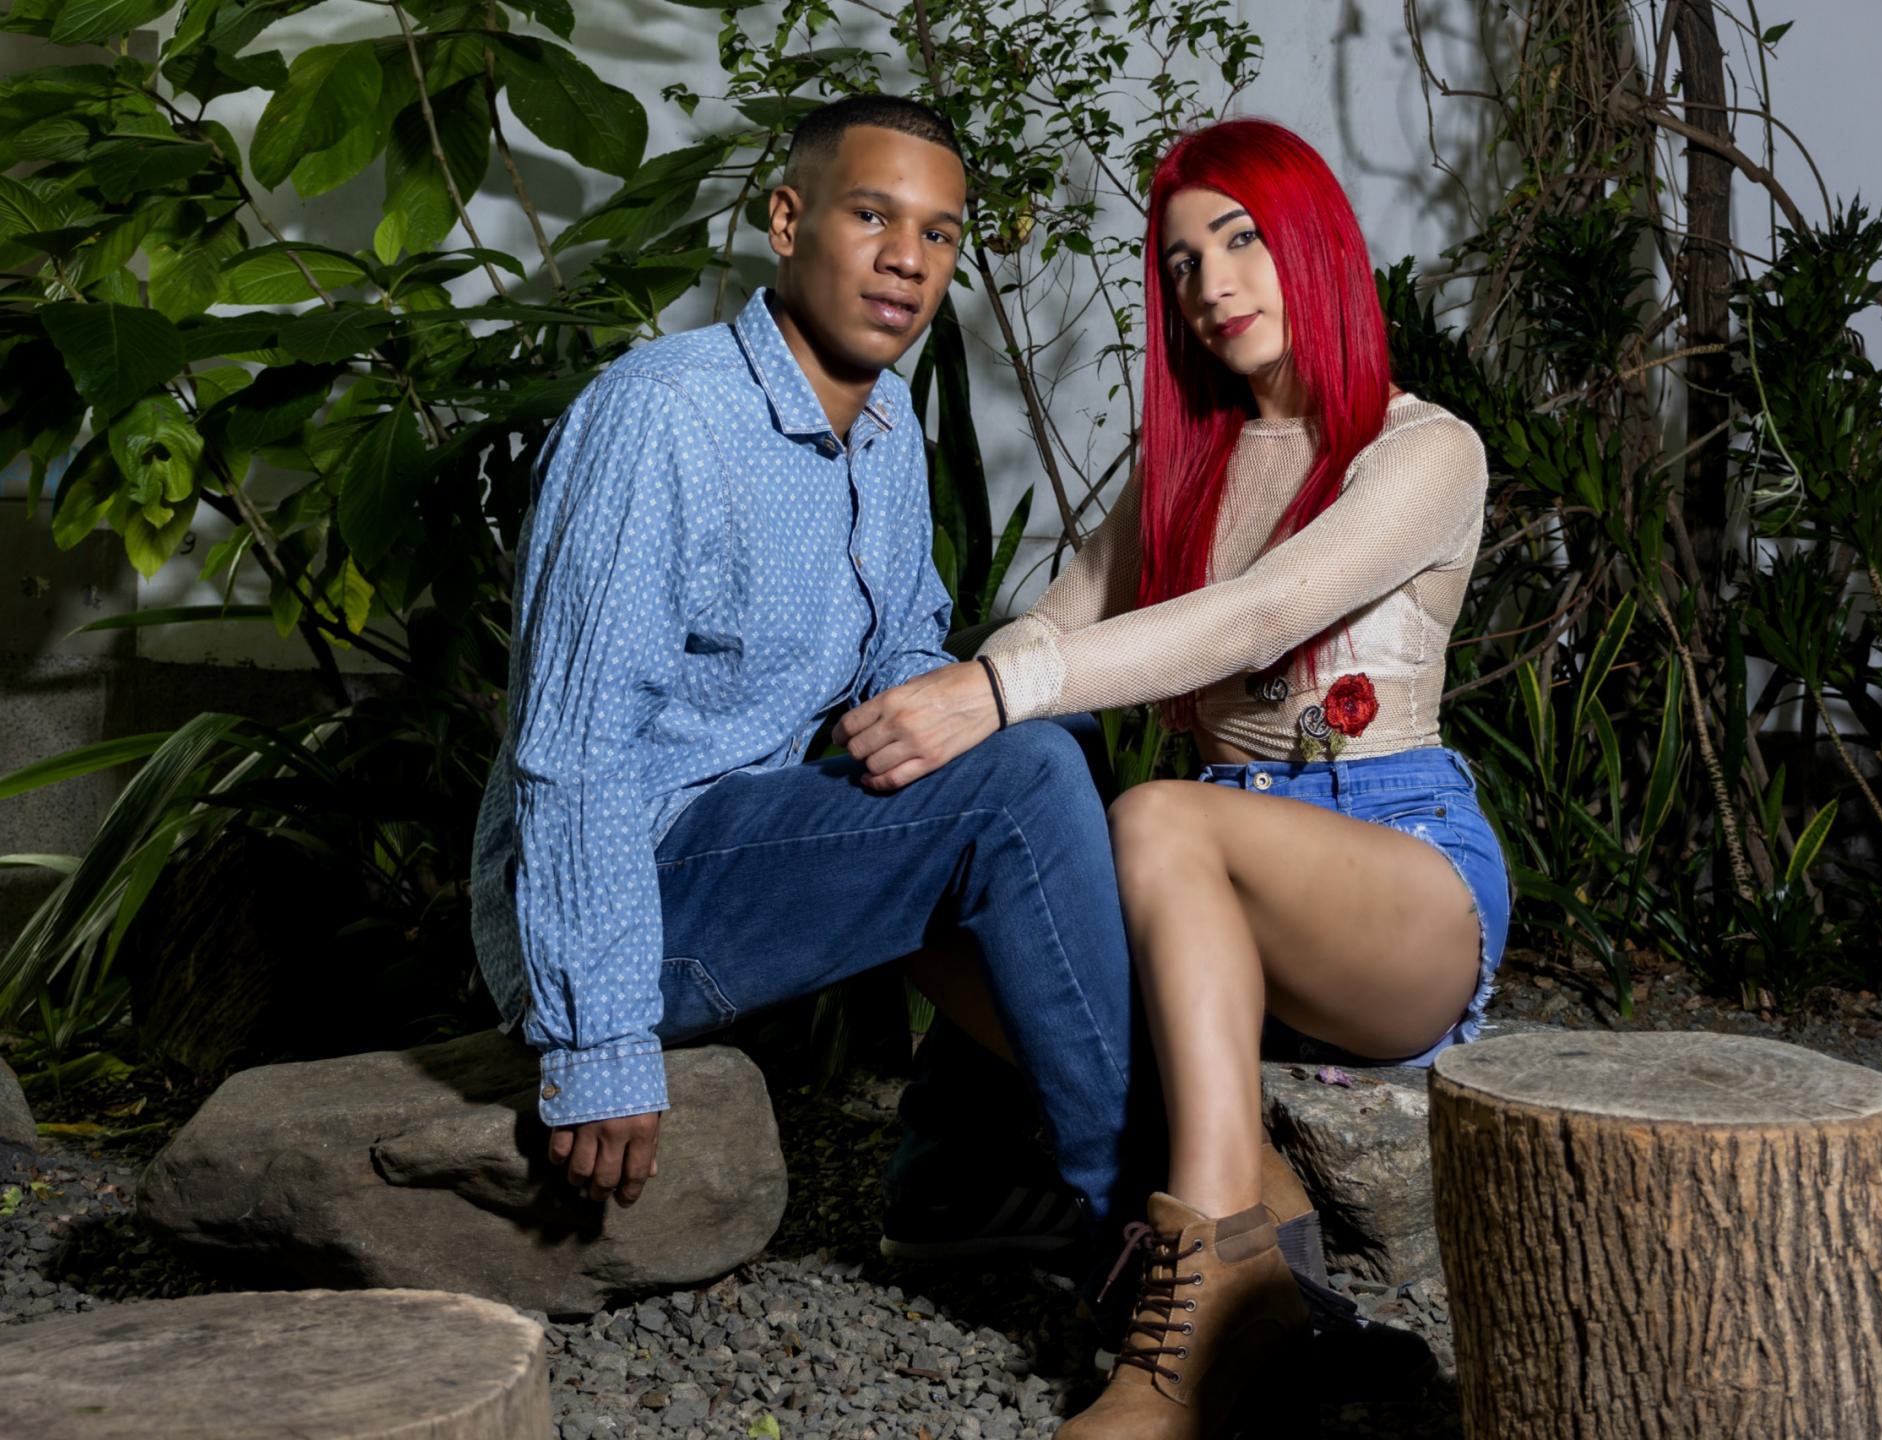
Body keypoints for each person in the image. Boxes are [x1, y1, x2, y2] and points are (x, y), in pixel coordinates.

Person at [833, 117, 1510, 1437]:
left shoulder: (1422, 450)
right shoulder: (1185, 465)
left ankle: (1190, 1302)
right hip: (1199, 903)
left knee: (1156, 818)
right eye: (1183, 262)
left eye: (1241, 240)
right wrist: (957, 704)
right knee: (913, 864)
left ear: (1314, 244)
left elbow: (1259, 618)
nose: (1210, 284)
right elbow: (1048, 622)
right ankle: (1244, 1208)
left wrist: (997, 693)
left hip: (1396, 886)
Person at [466, 95, 1144, 1255]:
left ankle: (953, 1181)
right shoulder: (662, 420)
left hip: (736, 846)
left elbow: (899, 663)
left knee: (1044, 746)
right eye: (872, 216)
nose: (907, 259)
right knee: (1023, 781)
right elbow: (574, 751)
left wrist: (956, 709)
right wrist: (599, 1045)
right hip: (619, 901)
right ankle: (1153, 1219)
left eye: (937, 233)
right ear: (787, 222)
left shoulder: (884, 435)